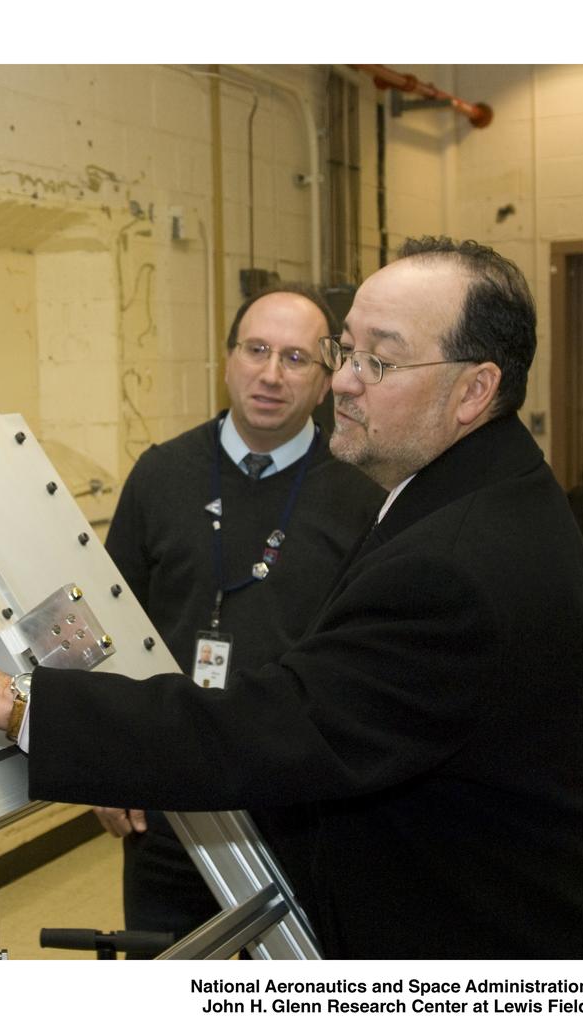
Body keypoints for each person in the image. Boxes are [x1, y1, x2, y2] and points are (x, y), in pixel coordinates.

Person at [0, 237, 583, 958]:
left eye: (379, 361)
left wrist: (15, 703)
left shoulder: (454, 563)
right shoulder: (491, 497)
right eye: (348, 353)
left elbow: (280, 724)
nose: (342, 383)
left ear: (474, 390)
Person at [93, 285, 382, 952]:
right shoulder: (161, 475)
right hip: (168, 813)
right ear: (227, 362)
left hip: (303, 813)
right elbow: (107, 628)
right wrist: (105, 762)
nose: (271, 374)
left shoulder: (360, 491)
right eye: (256, 350)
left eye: (296, 358)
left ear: (326, 380)